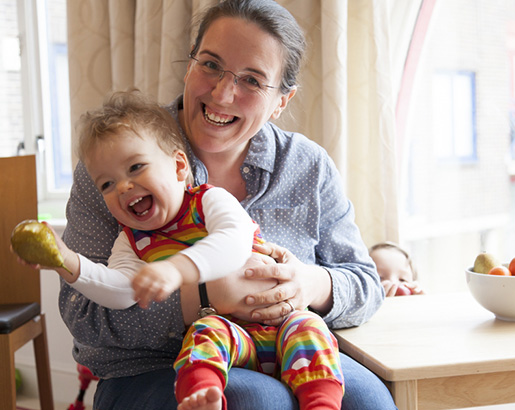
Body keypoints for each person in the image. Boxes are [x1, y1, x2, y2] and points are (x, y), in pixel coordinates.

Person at [60, 0, 396, 409]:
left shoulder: (307, 166)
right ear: (189, 66)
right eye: (211, 65)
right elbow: (85, 316)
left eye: (252, 80)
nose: (222, 93)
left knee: (370, 400)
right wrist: (206, 296)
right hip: (151, 368)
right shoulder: (116, 165)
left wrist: (307, 284)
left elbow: (363, 282)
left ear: (281, 101)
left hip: (288, 344)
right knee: (257, 401)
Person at [18, 90, 344, 410]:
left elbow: (234, 241)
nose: (123, 187)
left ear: (178, 167)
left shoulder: (207, 201)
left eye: (135, 168)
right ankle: (200, 395)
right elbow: (121, 291)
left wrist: (176, 270)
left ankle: (321, 404)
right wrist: (68, 263)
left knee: (311, 330)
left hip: (282, 327)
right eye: (107, 184)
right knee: (203, 334)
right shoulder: (131, 244)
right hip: (230, 337)